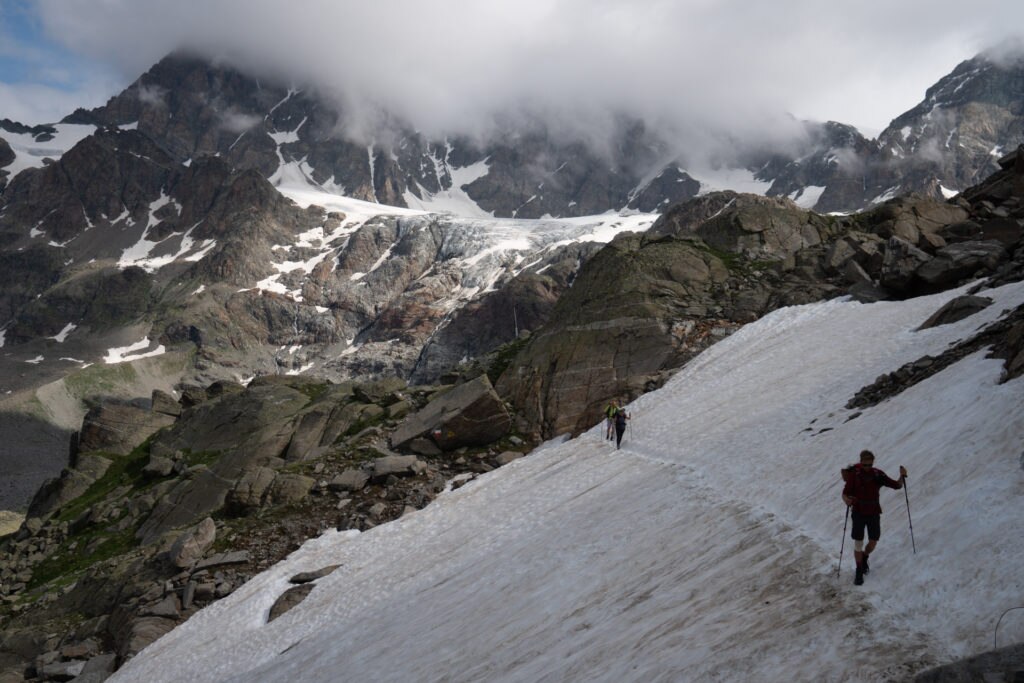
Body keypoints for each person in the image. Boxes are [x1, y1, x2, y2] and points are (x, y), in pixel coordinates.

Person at [841, 449, 907, 586]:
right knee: (858, 542)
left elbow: (897, 485)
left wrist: (902, 476)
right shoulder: (854, 476)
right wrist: (847, 500)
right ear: (861, 462)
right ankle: (859, 570)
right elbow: (845, 493)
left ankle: (865, 556)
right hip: (858, 512)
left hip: (873, 512)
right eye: (865, 465)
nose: (867, 467)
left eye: (870, 464)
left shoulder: (878, 474)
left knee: (873, 542)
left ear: (873, 463)